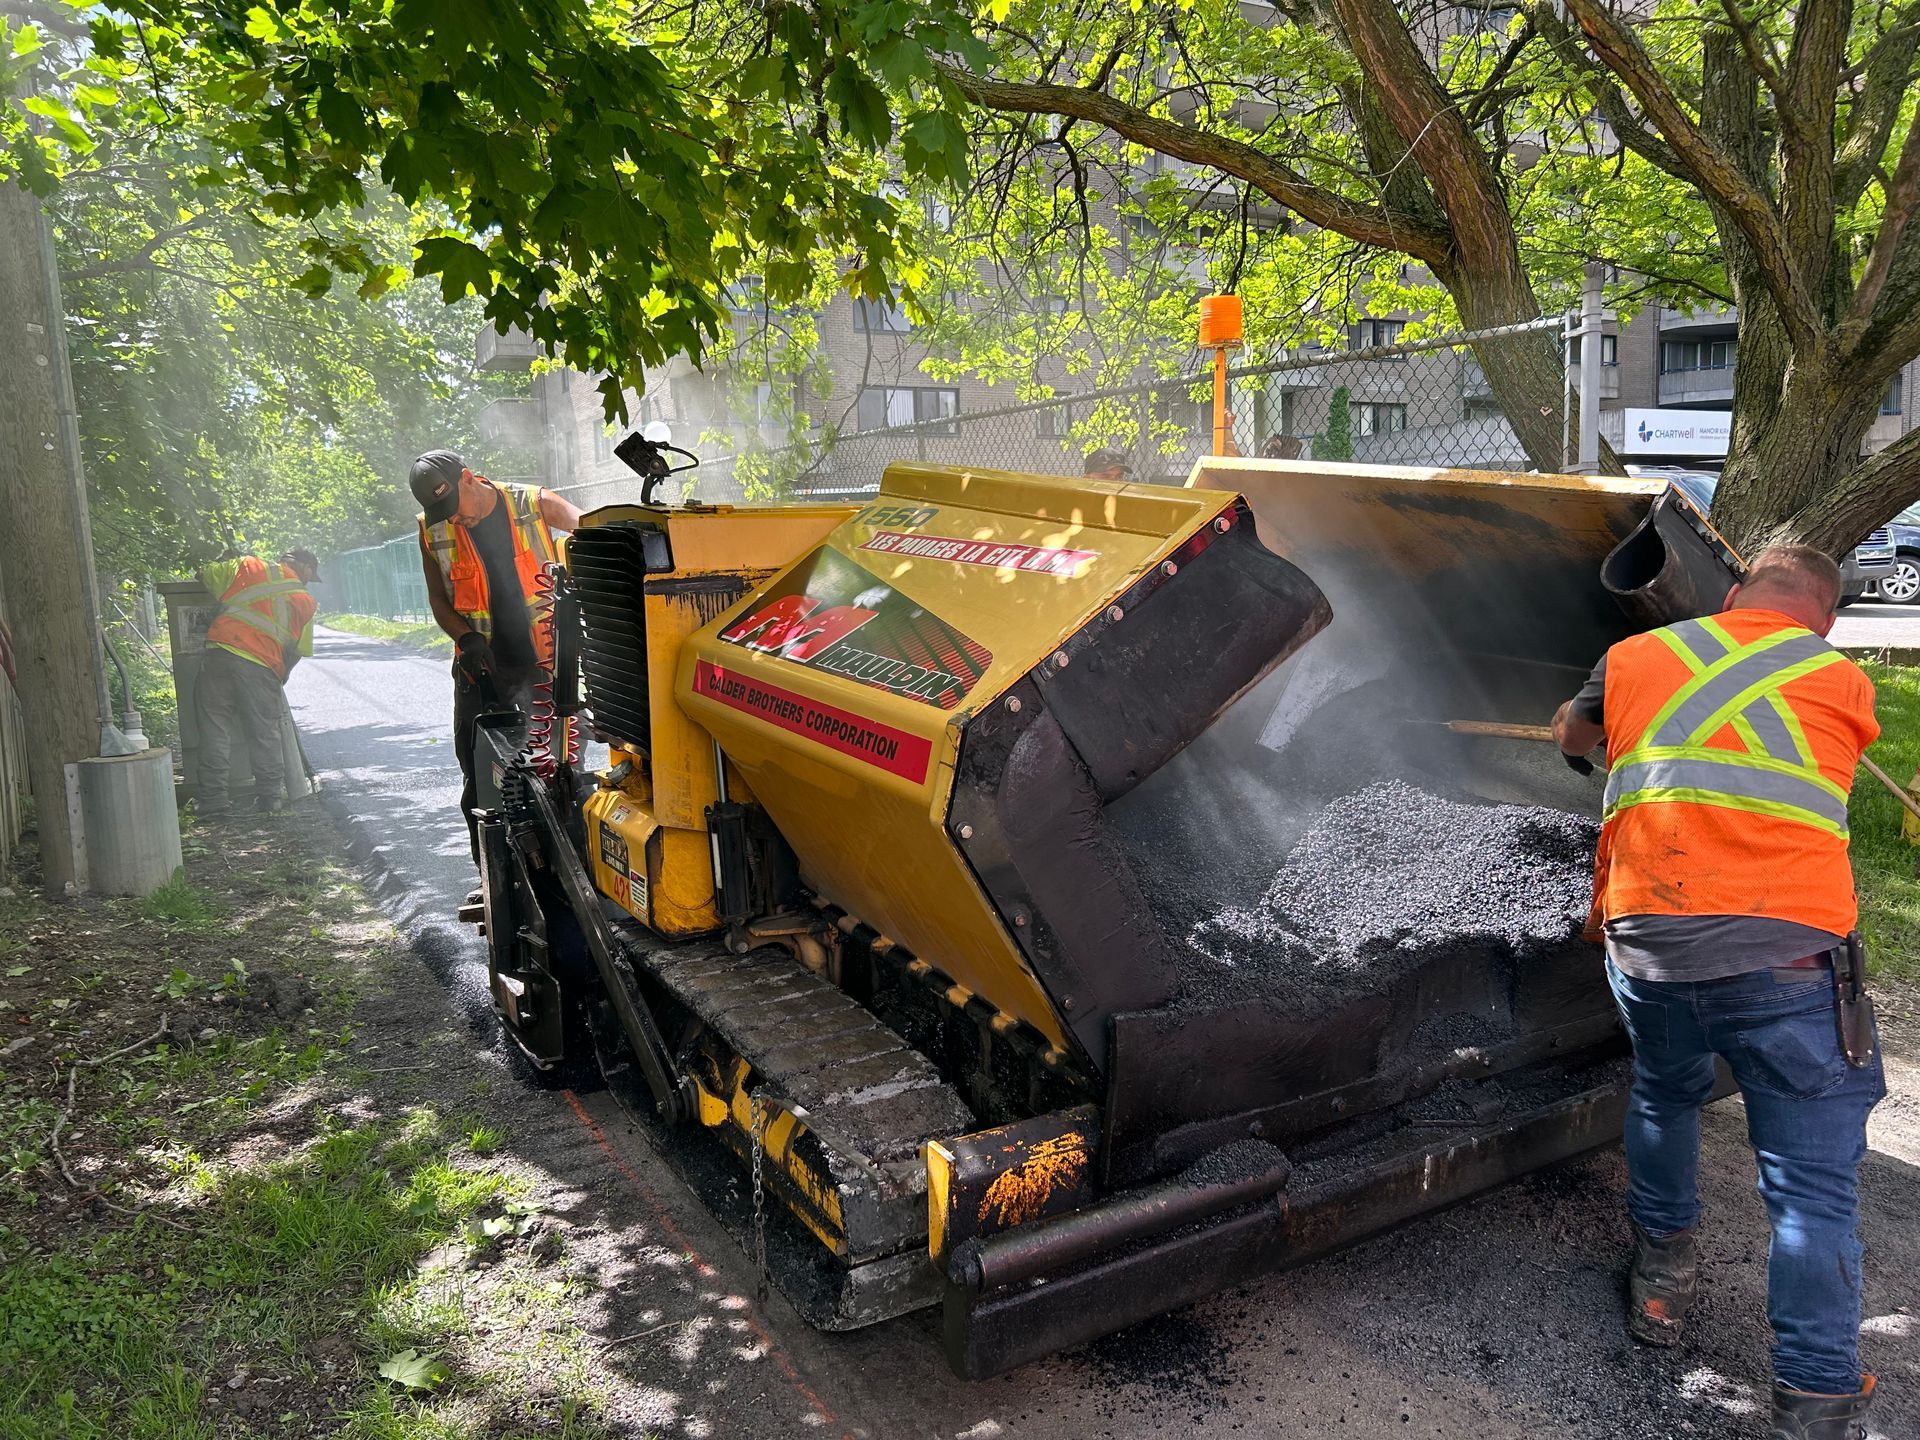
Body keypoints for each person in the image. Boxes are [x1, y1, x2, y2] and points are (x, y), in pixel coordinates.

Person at [1552, 544, 1884, 1440]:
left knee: (1664, 1092)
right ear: (1827, 618)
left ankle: (1661, 1288)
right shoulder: (1843, 679)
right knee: (1808, 1188)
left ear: (1733, 593)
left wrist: (1585, 730)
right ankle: (1815, 1402)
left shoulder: (1635, 657)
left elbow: (1573, 737)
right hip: (1785, 958)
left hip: (1648, 943)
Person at [410, 451, 582, 864]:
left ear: (469, 479)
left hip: (546, 666)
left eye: (453, 508)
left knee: (559, 772)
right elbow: (437, 596)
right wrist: (465, 637)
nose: (451, 520)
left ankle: (568, 869)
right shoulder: (429, 529)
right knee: (481, 777)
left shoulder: (533, 503)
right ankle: (491, 876)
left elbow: (591, 531)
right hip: (481, 669)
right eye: (441, 514)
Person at [197, 548, 321, 816]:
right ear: (306, 569)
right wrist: (280, 674)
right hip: (262, 665)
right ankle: (269, 800)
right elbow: (298, 651)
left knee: (214, 727)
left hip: (220, 652)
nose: (309, 581)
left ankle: (214, 800)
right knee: (264, 732)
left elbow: (202, 574)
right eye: (311, 576)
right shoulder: (305, 601)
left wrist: (225, 560)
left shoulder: (247, 565)